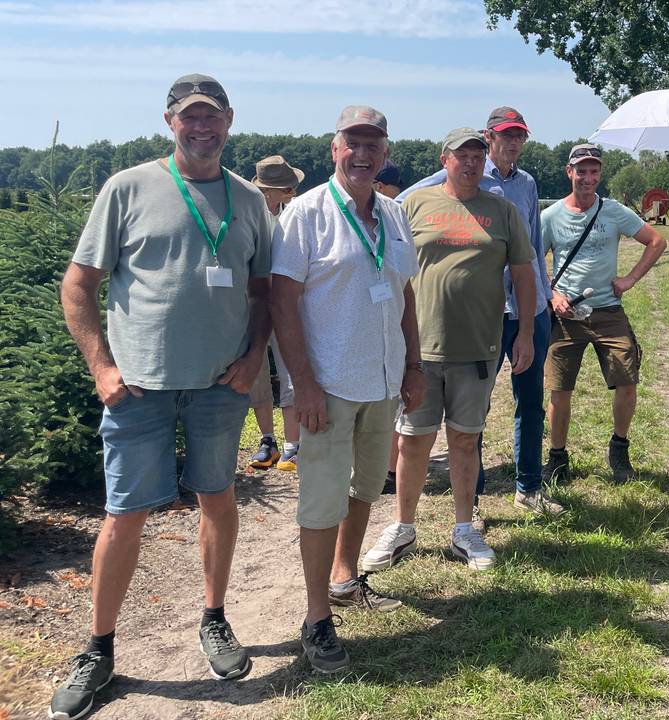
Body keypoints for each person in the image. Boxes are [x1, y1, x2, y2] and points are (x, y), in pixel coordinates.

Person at [53, 73, 272, 719]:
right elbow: (78, 285)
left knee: (218, 498)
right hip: (137, 390)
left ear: (229, 120)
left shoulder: (250, 199)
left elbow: (263, 293)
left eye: (212, 116)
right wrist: (102, 367)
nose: (202, 127)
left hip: (217, 388)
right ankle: (98, 650)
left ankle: (214, 618)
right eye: (189, 116)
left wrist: (254, 356)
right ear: (170, 122)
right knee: (124, 515)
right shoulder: (129, 188)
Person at [271, 106, 424, 673]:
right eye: (352, 144)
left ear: (386, 153)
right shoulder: (306, 215)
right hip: (328, 387)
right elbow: (282, 302)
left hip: (383, 381)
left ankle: (344, 578)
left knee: (364, 489)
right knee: (321, 500)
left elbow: (402, 291)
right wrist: (301, 385)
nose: (363, 155)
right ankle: (316, 620)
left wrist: (412, 365)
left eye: (374, 145)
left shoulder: (393, 213)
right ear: (333, 149)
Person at [363, 128, 537, 574]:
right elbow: (389, 267)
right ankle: (403, 525)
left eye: (478, 156)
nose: (472, 163)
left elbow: (523, 273)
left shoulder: (502, 211)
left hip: (478, 347)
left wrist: (524, 335)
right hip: (419, 349)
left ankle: (465, 528)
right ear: (445, 159)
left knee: (465, 439)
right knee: (413, 441)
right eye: (463, 156)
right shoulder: (413, 206)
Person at [395, 106, 560, 522]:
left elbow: (533, 248)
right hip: (482, 314)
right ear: (489, 139)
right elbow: (402, 205)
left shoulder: (526, 184)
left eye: (519, 136)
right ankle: (475, 497)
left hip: (526, 309)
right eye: (506, 135)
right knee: (476, 408)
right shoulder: (462, 178)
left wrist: (540, 301)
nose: (512, 143)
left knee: (530, 399)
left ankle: (528, 487)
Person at [542, 143, 666, 483]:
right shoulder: (550, 217)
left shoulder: (613, 211)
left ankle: (619, 448)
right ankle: (557, 457)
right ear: (569, 172)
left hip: (609, 311)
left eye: (594, 171)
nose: (587, 177)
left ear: (600, 174)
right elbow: (533, 263)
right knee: (559, 389)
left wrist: (630, 279)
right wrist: (552, 295)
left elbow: (656, 241)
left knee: (627, 381)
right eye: (581, 170)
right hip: (567, 316)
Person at [245, 155, 304, 472]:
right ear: (273, 191)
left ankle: (292, 446)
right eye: (287, 188)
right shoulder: (246, 216)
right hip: (253, 303)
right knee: (257, 374)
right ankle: (266, 439)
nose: (292, 192)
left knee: (290, 369)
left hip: (285, 304)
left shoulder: (293, 216)